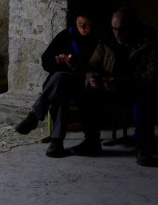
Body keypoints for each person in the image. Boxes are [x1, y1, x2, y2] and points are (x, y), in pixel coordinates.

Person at [71, 6, 158, 166]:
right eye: (114, 29)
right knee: (87, 92)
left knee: (144, 95)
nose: (117, 33)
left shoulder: (151, 41)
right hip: (110, 88)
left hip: (137, 88)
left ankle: (144, 147)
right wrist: (93, 79)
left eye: (122, 29)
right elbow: (92, 65)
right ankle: (91, 141)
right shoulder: (107, 40)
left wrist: (123, 83)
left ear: (133, 26)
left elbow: (155, 75)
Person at [14, 11, 100, 157]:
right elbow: (46, 60)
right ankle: (56, 143)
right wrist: (57, 61)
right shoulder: (66, 36)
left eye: (87, 24)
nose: (83, 27)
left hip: (82, 84)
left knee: (60, 84)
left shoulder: (98, 40)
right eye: (80, 24)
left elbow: (97, 65)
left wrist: (77, 66)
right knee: (60, 91)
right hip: (60, 85)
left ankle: (37, 118)